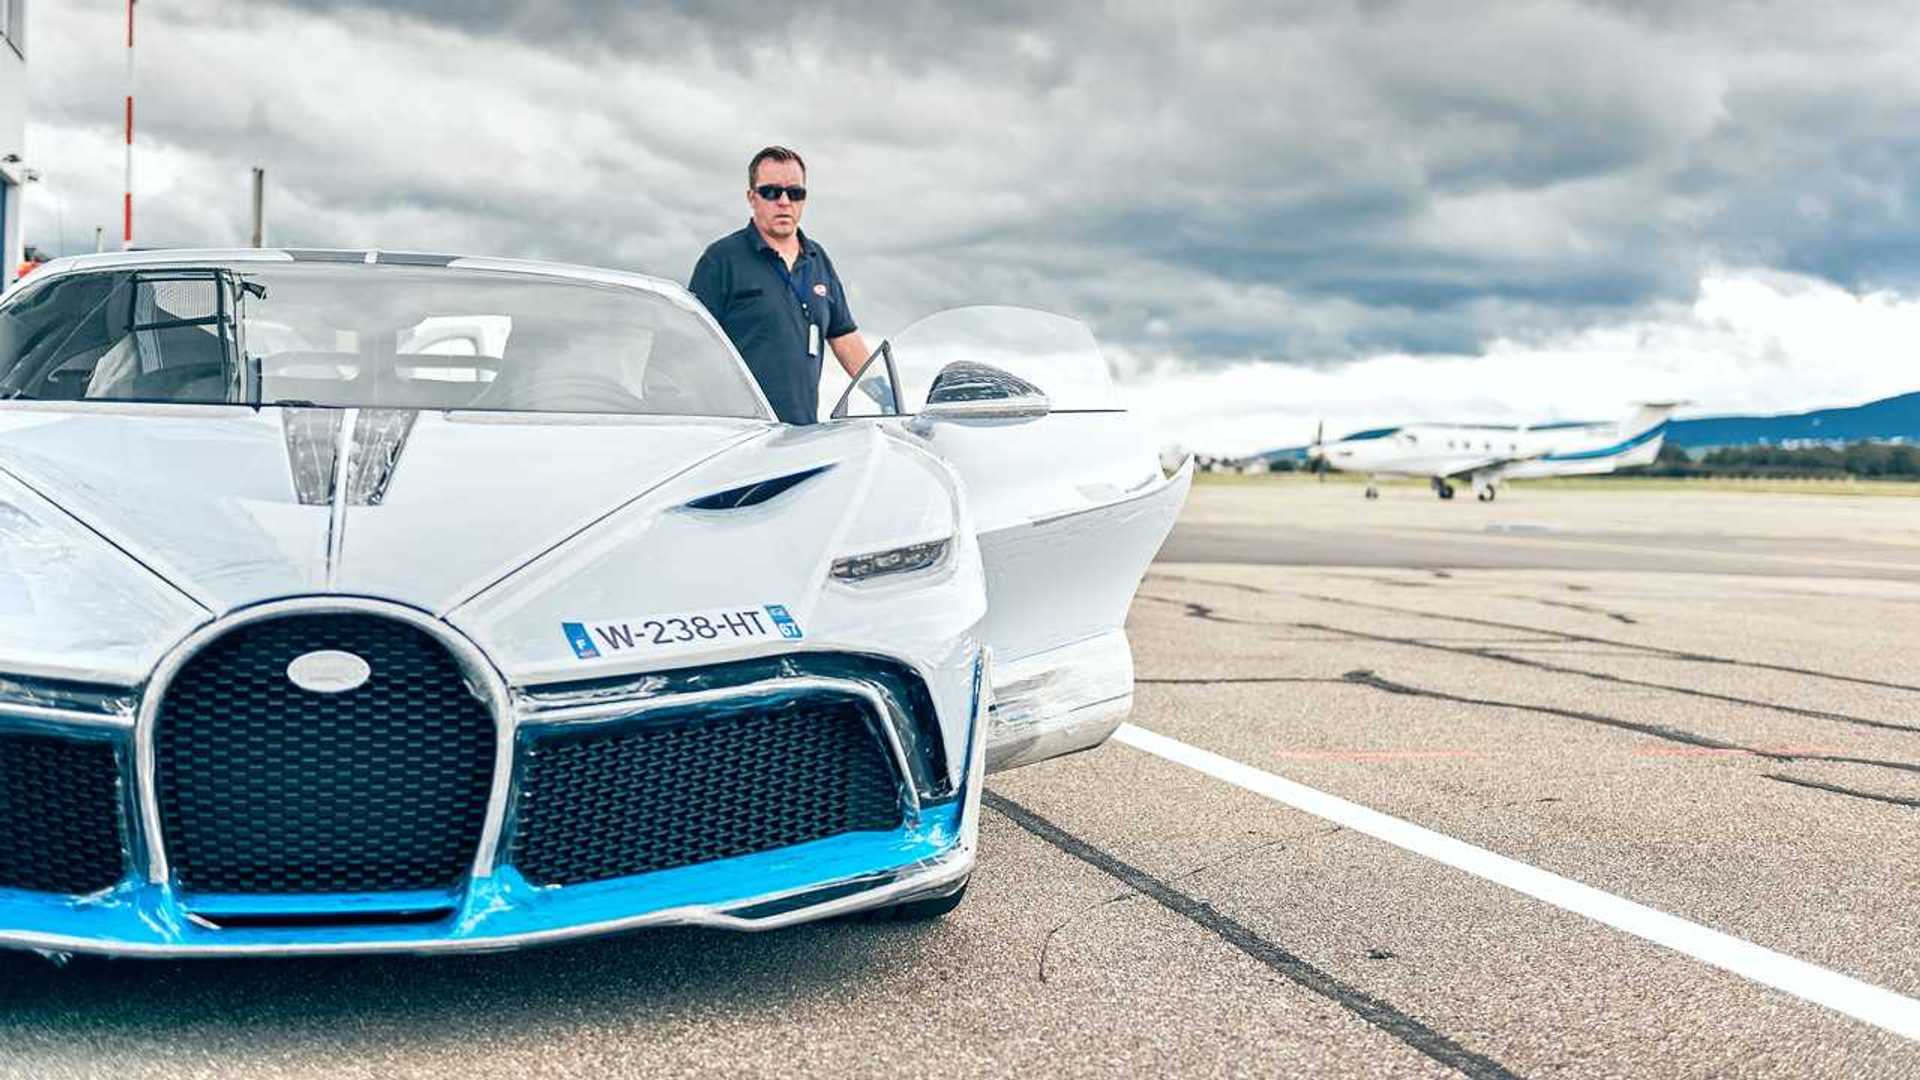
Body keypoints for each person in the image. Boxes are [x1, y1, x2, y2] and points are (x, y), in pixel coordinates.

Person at [689, 146, 871, 424]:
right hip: (740, 431)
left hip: (802, 433)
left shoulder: (818, 259)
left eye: (795, 193)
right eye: (772, 192)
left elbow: (845, 337)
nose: (784, 202)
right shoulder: (721, 260)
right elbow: (690, 346)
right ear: (752, 197)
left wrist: (887, 395)